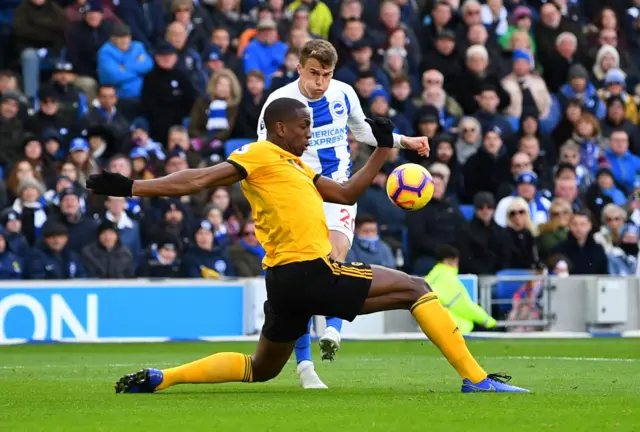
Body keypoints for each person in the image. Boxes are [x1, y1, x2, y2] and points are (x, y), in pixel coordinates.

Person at [86, 98, 527, 394]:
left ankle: (163, 379)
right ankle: (477, 379)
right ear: (279, 127)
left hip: (282, 281)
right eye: (303, 127)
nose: (309, 134)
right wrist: (129, 187)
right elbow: (197, 178)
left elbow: (347, 193)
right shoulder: (258, 154)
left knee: (261, 369)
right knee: (416, 288)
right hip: (310, 271)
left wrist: (383, 147)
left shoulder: (295, 167)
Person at [255, 39, 429, 388]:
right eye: (314, 74)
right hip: (299, 195)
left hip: (339, 191)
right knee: (305, 275)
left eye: (327, 74)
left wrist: (404, 141)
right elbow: (263, 153)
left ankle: (333, 330)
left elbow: (363, 132)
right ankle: (305, 366)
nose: (320, 82)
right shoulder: (279, 102)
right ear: (300, 68)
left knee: (335, 258)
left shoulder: (344, 93)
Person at [426, 245, 497, 335]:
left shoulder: (431, 277)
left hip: (433, 325)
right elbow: (465, 307)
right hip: (453, 328)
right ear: (450, 261)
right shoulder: (448, 279)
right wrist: (489, 322)